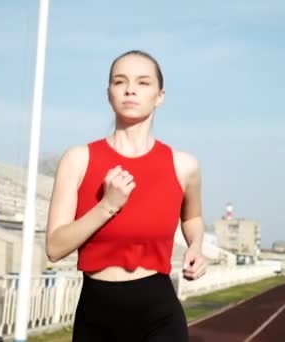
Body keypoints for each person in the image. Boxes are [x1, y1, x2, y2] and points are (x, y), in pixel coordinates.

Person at [45, 50, 206, 342]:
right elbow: (55, 248)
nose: (130, 89)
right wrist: (107, 205)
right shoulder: (78, 159)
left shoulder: (184, 165)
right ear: (109, 94)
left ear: (160, 96)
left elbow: (192, 217)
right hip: (96, 318)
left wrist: (196, 245)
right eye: (120, 81)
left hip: (159, 316)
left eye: (143, 82)